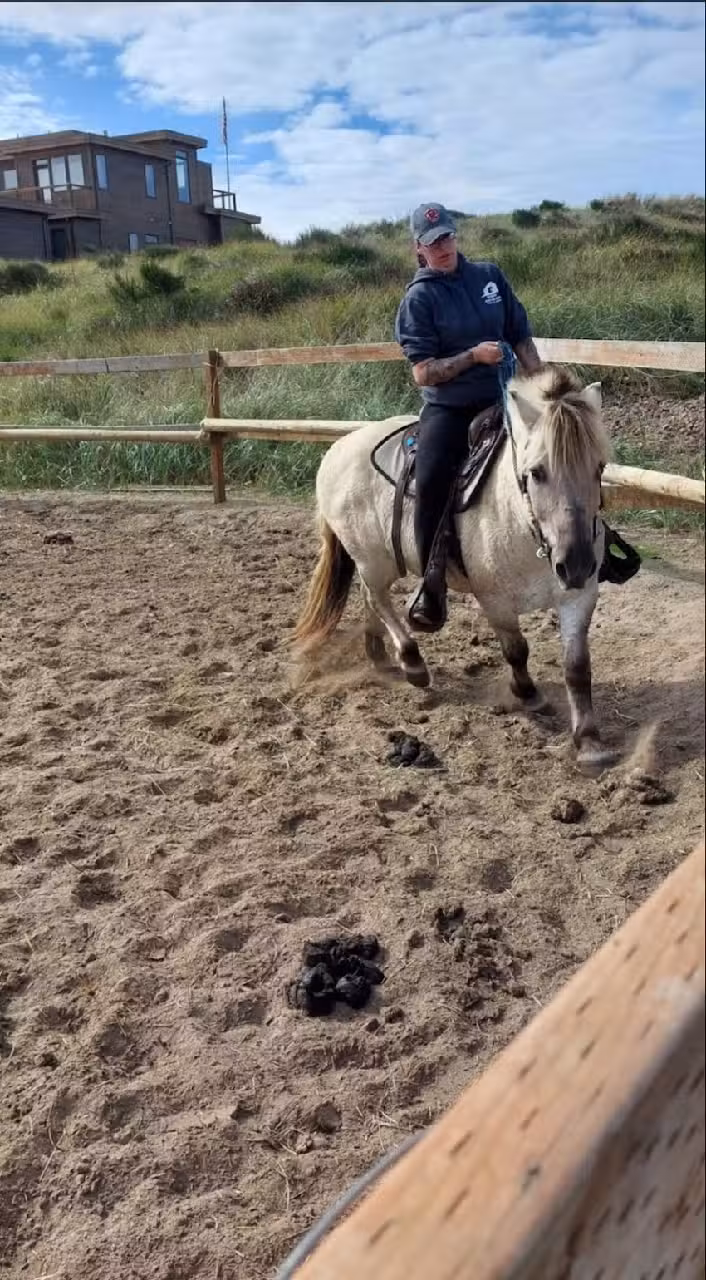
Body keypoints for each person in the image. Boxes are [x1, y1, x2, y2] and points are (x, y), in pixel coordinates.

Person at [394, 201, 543, 633]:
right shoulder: (418, 299)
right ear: (418, 249)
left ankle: (591, 546)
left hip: (505, 397)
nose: (442, 247)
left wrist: (545, 388)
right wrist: (473, 356)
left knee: (559, 456)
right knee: (433, 475)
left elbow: (520, 336)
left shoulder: (489, 277)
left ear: (456, 236)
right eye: (432, 242)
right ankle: (431, 581)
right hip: (451, 407)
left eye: (447, 238)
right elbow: (424, 371)